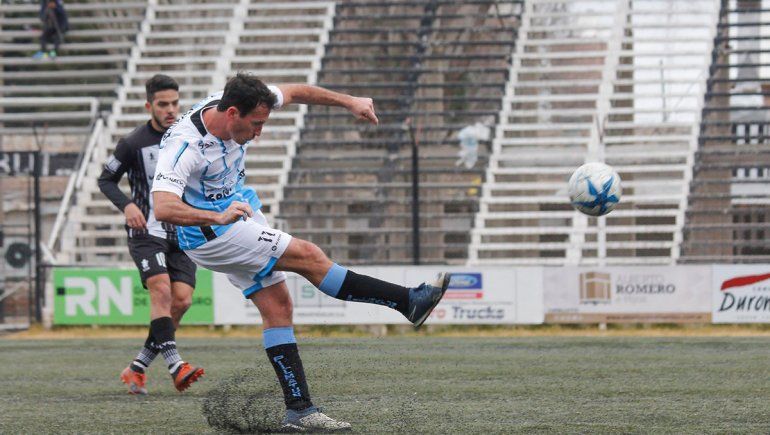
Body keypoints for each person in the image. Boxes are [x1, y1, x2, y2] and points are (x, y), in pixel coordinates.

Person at [150, 73, 450, 432]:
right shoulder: (185, 145)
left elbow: (294, 91)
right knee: (309, 256)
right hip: (212, 232)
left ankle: (299, 410)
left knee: (279, 307)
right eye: (256, 124)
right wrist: (217, 214)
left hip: (235, 212)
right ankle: (408, 301)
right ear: (232, 113)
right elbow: (164, 207)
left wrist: (349, 100)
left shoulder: (242, 101)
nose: (259, 132)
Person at [98, 74, 204, 395]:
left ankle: (137, 368)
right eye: (163, 104)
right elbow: (106, 180)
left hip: (182, 232)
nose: (170, 109)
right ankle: (176, 365)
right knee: (161, 292)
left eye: (174, 103)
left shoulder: (190, 137)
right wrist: (127, 205)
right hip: (146, 230)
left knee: (182, 301)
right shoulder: (132, 143)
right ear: (149, 106)